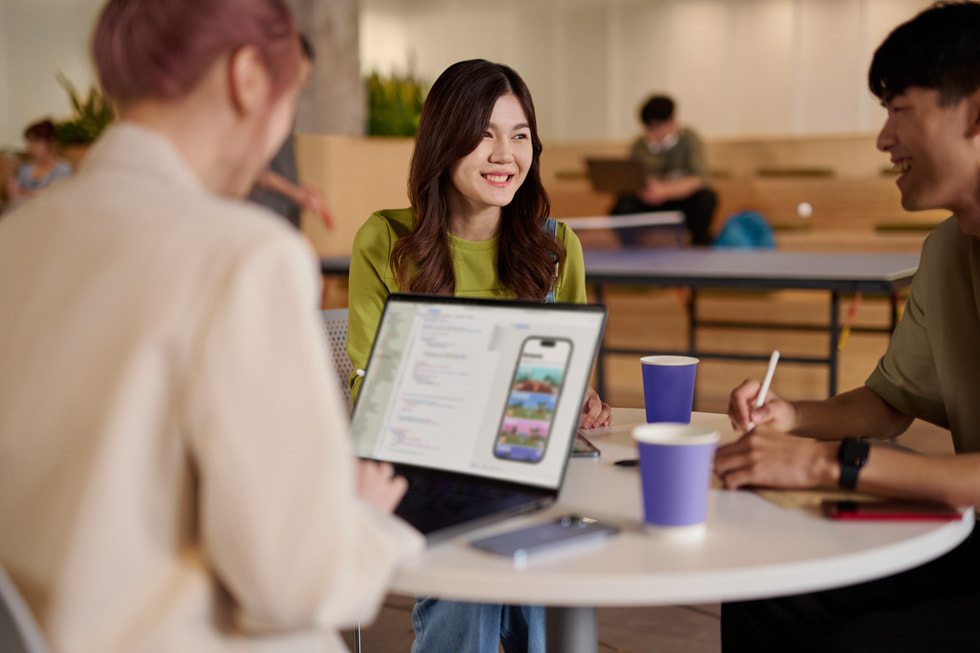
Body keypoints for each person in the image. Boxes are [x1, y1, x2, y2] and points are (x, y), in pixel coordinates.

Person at [0, 1, 422, 652]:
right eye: (292, 98)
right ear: (248, 76)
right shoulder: (246, 257)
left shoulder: (17, 240)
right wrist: (357, 515)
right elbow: (290, 580)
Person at [713, 3, 980, 651]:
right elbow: (890, 402)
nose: (884, 139)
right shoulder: (947, 252)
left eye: (899, 109)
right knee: (765, 589)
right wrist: (792, 415)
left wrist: (824, 460)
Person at [346, 58, 612, 653]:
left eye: (519, 136)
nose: (504, 154)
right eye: (484, 134)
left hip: (528, 470)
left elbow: (554, 386)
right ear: (444, 141)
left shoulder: (556, 249)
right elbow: (374, 394)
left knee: (538, 543)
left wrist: (578, 397)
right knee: (481, 549)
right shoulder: (387, 243)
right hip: (419, 469)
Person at [249, 34, 333, 230]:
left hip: (283, 216)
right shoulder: (263, 107)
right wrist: (297, 194)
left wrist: (299, 190)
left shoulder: (285, 110)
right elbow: (257, 172)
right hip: (264, 216)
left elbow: (276, 169)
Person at [610, 94, 717, 246]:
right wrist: (644, 191)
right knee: (623, 204)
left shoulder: (689, 139)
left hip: (679, 201)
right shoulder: (640, 144)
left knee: (706, 198)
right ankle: (630, 248)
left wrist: (665, 190)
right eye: (649, 127)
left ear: (672, 120)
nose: (654, 132)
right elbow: (631, 176)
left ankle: (699, 245)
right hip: (649, 201)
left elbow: (700, 179)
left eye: (658, 125)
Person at [2, 119, 73, 208]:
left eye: (36, 141)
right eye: (30, 142)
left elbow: (55, 196)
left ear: (51, 142)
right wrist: (10, 173)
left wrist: (25, 192)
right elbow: (13, 200)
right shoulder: (25, 168)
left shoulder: (63, 169)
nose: (31, 147)